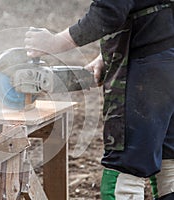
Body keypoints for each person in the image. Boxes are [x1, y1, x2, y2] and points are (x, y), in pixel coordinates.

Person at [24, 0, 174, 199]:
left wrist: (54, 43)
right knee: (169, 159)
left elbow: (109, 11)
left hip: (148, 69)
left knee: (124, 170)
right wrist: (108, 54)